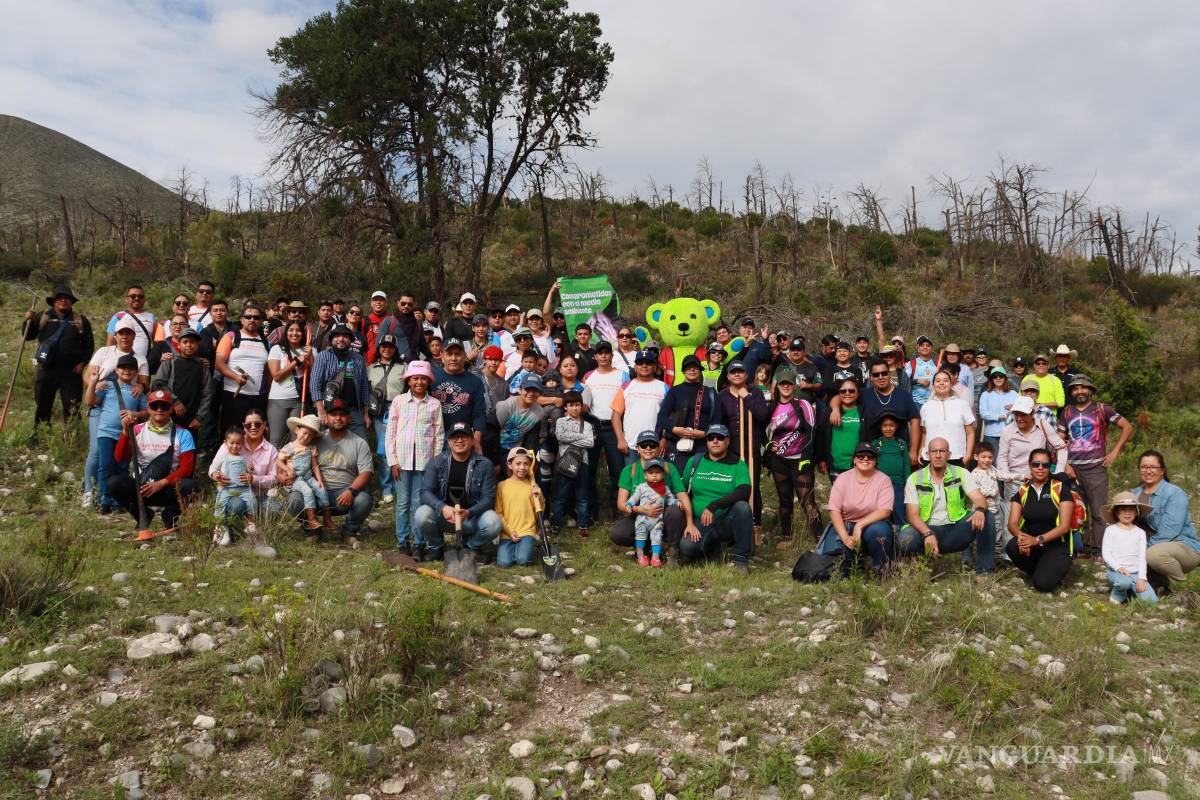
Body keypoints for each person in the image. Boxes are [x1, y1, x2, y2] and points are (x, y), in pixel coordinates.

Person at [895, 437, 995, 575]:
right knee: (905, 539)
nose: (937, 455)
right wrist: (927, 533)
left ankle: (984, 572)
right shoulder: (915, 478)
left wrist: (979, 510)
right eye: (934, 451)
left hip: (955, 528)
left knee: (987, 516)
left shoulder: (961, 472)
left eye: (942, 451)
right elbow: (912, 515)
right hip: (927, 529)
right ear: (927, 454)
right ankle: (923, 564)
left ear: (949, 454)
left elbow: (979, 498)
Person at [1060, 374, 1133, 557]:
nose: (1080, 391)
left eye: (1083, 387)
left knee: (1099, 512)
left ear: (1090, 390)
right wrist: (1064, 463)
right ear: (1072, 392)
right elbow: (1060, 440)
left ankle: (1099, 550)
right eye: (1075, 388)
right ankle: (1083, 549)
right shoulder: (1067, 412)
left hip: (1096, 468)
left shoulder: (1102, 409)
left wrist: (1115, 451)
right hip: (1073, 470)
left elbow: (1127, 426)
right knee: (1079, 511)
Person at [284, 399, 374, 545]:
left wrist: (351, 491)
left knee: (364, 499)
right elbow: (289, 458)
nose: (338, 418)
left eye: (342, 414)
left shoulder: (359, 442)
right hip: (315, 494)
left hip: (344, 494)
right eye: (333, 414)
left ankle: (349, 532)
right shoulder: (314, 439)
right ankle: (313, 530)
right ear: (326, 417)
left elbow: (367, 472)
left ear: (349, 418)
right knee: (293, 500)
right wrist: (284, 474)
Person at [108, 389, 198, 529]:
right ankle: (142, 515)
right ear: (148, 409)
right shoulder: (136, 429)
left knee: (190, 486)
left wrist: (161, 484)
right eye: (155, 406)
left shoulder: (184, 434)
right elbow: (120, 458)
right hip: (141, 487)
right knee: (114, 483)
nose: (159, 410)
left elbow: (187, 468)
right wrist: (125, 433)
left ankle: (170, 517)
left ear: (171, 410)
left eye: (164, 406)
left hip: (167, 487)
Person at [415, 421, 501, 561]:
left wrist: (469, 512)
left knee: (494, 522)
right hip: (445, 516)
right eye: (455, 437)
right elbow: (425, 492)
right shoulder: (436, 462)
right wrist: (442, 508)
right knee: (421, 514)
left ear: (472, 440)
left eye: (464, 436)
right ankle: (436, 547)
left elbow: (489, 498)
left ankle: (470, 547)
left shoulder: (485, 465)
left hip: (471, 518)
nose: (459, 440)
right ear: (449, 442)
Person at [678, 424, 754, 575]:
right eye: (711, 438)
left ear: (728, 441)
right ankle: (713, 548)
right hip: (700, 521)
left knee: (743, 507)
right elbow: (682, 488)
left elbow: (744, 491)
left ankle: (740, 560)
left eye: (720, 438)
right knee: (687, 547)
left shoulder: (737, 464)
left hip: (726, 520)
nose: (715, 441)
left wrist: (714, 505)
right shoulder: (695, 461)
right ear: (706, 441)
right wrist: (688, 519)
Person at [386, 361, 444, 557]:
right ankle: (403, 541)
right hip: (401, 462)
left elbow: (439, 435)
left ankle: (418, 542)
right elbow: (391, 433)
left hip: (424, 463)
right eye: (415, 378)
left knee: (418, 503)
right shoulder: (399, 402)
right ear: (409, 381)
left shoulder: (434, 404)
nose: (419, 382)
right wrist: (393, 460)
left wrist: (435, 464)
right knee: (402, 503)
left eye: (423, 378)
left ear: (428, 381)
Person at [83, 353, 147, 514]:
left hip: (126, 435)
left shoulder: (137, 391)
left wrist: (135, 414)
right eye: (123, 368)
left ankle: (119, 499)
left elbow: (147, 412)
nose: (127, 371)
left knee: (122, 467)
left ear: (136, 373)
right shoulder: (107, 386)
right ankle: (105, 498)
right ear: (116, 370)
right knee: (105, 466)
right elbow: (89, 401)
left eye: (131, 369)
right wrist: (92, 383)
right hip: (106, 432)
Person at [818, 443, 895, 574]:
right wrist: (844, 536)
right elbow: (834, 510)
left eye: (870, 456)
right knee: (834, 562)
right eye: (861, 456)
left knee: (880, 531)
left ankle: (880, 568)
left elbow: (885, 510)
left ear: (875, 461)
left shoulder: (884, 480)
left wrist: (859, 525)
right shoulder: (842, 478)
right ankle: (856, 566)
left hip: (872, 525)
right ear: (854, 459)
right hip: (845, 524)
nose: (865, 459)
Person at [1005, 448, 1075, 592]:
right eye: (1036, 464)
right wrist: (1022, 538)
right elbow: (1012, 523)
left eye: (1045, 465)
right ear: (1030, 465)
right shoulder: (1023, 490)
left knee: (1042, 585)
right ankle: (1038, 570)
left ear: (1050, 467)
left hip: (1056, 546)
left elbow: (1064, 527)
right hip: (1032, 544)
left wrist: (1036, 540)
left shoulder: (1061, 488)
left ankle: (1050, 571)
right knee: (1012, 546)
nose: (1040, 468)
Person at [24, 283, 94, 426]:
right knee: (42, 403)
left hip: (71, 371)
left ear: (71, 301)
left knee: (72, 406)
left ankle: (72, 436)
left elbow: (89, 345)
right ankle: (41, 433)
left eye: (67, 298)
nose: (63, 300)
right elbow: (28, 336)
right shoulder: (42, 317)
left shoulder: (80, 320)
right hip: (46, 369)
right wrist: (27, 321)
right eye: (59, 298)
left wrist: (82, 363)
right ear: (53, 301)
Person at [1131, 449, 1200, 594]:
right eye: (1144, 467)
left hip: (1181, 546)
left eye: (1153, 467)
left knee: (1153, 555)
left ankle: (1182, 586)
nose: (1148, 471)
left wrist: (1140, 550)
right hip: (1151, 545)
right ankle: (1157, 586)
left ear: (1162, 470)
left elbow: (1170, 531)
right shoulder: (1134, 494)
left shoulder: (1174, 493)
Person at [766, 367, 819, 542]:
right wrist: (767, 445)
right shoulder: (771, 406)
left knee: (807, 501)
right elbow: (762, 431)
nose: (786, 386)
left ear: (794, 385)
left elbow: (812, 432)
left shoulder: (803, 404)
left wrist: (806, 458)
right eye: (783, 383)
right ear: (778, 386)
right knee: (784, 501)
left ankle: (819, 537)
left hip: (800, 460)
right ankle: (787, 536)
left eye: (789, 383)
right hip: (779, 461)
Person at [715, 360, 768, 525]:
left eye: (740, 371)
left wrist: (748, 398)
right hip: (730, 450)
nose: (737, 374)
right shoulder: (722, 395)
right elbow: (719, 422)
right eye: (733, 372)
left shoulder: (756, 392)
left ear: (746, 374)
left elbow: (763, 416)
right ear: (728, 376)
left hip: (751, 449)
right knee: (732, 488)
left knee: (752, 487)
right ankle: (732, 524)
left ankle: (755, 524)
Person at [584, 340, 629, 519]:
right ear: (594, 356)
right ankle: (591, 510)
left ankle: (616, 510)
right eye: (600, 353)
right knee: (589, 471)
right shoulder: (588, 376)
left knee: (617, 471)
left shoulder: (623, 375)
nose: (603, 356)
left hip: (614, 428)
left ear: (611, 355)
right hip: (593, 427)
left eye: (606, 353)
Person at [209, 409, 281, 519]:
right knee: (237, 506)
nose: (253, 427)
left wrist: (254, 479)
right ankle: (232, 528)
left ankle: (255, 522)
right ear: (244, 426)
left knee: (274, 510)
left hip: (260, 495)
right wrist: (216, 475)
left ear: (264, 425)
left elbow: (274, 479)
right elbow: (213, 467)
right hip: (233, 492)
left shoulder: (271, 450)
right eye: (248, 425)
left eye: (257, 424)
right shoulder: (231, 443)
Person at [657, 355, 721, 473]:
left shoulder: (710, 393)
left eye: (695, 367)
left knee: (700, 482)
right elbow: (661, 417)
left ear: (700, 370)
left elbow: (718, 420)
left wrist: (705, 433)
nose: (692, 370)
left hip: (703, 445)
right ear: (683, 371)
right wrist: (675, 429)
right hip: (677, 445)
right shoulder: (675, 391)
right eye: (688, 367)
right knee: (677, 483)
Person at [214, 305, 270, 437]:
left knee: (254, 433)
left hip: (258, 396)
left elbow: (268, 370)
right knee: (231, 433)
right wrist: (235, 377)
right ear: (241, 319)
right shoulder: (231, 336)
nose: (252, 319)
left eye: (256, 317)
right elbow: (219, 363)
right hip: (233, 394)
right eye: (248, 317)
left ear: (261, 321)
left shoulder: (265, 341)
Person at [310, 325, 371, 440]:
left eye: (345, 336)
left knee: (362, 443)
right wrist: (321, 411)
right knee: (326, 446)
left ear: (351, 341)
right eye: (337, 336)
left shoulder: (358, 358)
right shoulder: (323, 356)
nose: (341, 339)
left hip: (353, 410)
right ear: (332, 340)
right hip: (329, 410)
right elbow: (315, 384)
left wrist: (366, 413)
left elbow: (364, 386)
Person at [367, 333, 408, 500]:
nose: (387, 349)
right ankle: (386, 487)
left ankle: (400, 485)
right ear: (379, 348)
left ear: (395, 349)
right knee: (384, 450)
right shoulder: (370, 368)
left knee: (401, 449)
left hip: (398, 410)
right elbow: (365, 393)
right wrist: (366, 414)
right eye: (384, 346)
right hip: (378, 412)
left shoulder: (403, 367)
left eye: (390, 347)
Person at [612, 349, 670, 463]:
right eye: (640, 363)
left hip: (655, 445)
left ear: (654, 366)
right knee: (633, 478)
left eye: (648, 363)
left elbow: (671, 416)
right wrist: (620, 439)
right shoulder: (625, 387)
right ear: (635, 366)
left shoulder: (664, 387)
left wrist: (665, 439)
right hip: (631, 445)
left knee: (656, 479)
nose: (644, 365)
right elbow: (616, 415)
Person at [152, 327, 213, 434]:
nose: (189, 345)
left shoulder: (202, 365)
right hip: (169, 413)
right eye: (185, 342)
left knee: (188, 447)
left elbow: (207, 393)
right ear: (179, 345)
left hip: (192, 417)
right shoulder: (170, 361)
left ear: (197, 345)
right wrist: (175, 402)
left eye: (192, 342)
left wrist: (200, 417)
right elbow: (158, 384)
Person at [431, 338, 487, 450]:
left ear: (464, 356)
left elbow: (479, 414)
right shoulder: (431, 378)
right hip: (432, 435)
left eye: (457, 354)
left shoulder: (475, 382)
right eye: (449, 354)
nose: (453, 358)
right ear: (442, 356)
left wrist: (476, 441)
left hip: (461, 438)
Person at [551, 390, 594, 537]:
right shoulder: (560, 422)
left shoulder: (587, 424)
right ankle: (557, 523)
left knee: (582, 495)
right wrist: (579, 437)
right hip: (564, 463)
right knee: (560, 495)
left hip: (583, 463)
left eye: (577, 405)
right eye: (571, 405)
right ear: (565, 407)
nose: (575, 408)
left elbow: (590, 442)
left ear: (581, 406)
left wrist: (572, 438)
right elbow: (560, 437)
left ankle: (582, 525)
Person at [1102, 492, 1157, 604]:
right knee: (1124, 582)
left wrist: (1142, 578)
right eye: (1123, 509)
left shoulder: (1140, 532)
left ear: (1136, 512)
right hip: (1117, 571)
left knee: (1151, 601)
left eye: (1131, 509)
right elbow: (1106, 553)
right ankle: (1119, 593)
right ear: (1117, 512)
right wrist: (1118, 567)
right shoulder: (1111, 530)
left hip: (1136, 572)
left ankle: (1132, 589)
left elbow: (1142, 557)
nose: (1127, 513)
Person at [277, 414, 329, 533]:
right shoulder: (289, 447)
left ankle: (327, 518)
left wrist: (320, 480)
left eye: (310, 436)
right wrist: (288, 469)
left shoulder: (311, 448)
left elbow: (314, 466)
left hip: (308, 477)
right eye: (304, 433)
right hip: (296, 479)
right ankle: (311, 519)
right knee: (308, 491)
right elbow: (278, 461)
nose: (306, 437)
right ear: (297, 430)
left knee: (321, 490)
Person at [997, 396, 1067, 482]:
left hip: (1039, 481)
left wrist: (1059, 472)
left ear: (1033, 413)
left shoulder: (1042, 425)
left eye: (1023, 414)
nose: (1019, 418)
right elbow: (1002, 457)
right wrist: (1007, 476)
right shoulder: (1007, 431)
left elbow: (1062, 448)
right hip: (1015, 483)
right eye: (1016, 414)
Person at [493, 447, 542, 567]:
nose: (522, 467)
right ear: (510, 465)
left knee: (523, 560)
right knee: (504, 563)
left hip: (526, 531)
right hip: (508, 532)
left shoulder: (533, 486)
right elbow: (498, 512)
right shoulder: (502, 486)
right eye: (518, 463)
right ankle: (517, 549)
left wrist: (540, 497)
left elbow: (539, 513)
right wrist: (509, 531)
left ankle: (524, 548)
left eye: (526, 464)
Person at [625, 458, 678, 567]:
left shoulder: (665, 489)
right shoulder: (642, 487)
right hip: (642, 519)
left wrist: (677, 502)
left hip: (657, 521)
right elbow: (634, 498)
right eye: (651, 473)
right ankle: (640, 556)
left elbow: (670, 499)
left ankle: (655, 558)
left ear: (663, 475)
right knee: (640, 536)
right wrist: (629, 504)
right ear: (645, 475)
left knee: (657, 538)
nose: (654, 475)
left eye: (658, 472)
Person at [917, 369, 976, 466]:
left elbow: (970, 432)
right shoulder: (926, 407)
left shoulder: (962, 404)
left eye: (945, 380)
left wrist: (968, 455)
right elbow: (924, 433)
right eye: (938, 381)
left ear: (952, 384)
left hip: (957, 457)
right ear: (933, 385)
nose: (942, 383)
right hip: (930, 458)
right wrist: (921, 450)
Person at [266, 320, 311, 446]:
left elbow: (312, 374)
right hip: (278, 399)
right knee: (276, 439)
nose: (294, 333)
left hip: (299, 400)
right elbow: (276, 376)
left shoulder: (307, 351)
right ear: (286, 333)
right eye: (291, 330)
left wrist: (310, 357)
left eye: (298, 330)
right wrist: (296, 361)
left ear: (303, 333)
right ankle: (275, 465)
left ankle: (293, 465)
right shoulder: (277, 349)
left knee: (297, 439)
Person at [211, 426, 258, 543]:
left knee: (252, 500)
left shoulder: (244, 458)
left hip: (243, 488)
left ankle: (251, 524)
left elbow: (249, 469)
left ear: (242, 444)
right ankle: (220, 528)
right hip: (226, 488)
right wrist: (215, 473)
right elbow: (212, 467)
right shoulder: (223, 457)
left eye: (238, 443)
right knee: (220, 505)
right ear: (225, 442)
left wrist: (250, 469)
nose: (235, 446)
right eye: (232, 443)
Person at [820, 375, 870, 481]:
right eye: (843, 391)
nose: (847, 393)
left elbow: (870, 437)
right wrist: (822, 459)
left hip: (858, 465)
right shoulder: (830, 412)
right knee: (839, 496)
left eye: (851, 391)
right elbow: (821, 434)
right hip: (835, 465)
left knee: (857, 496)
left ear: (858, 394)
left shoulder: (865, 413)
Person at [495, 374, 547, 467]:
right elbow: (491, 432)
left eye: (535, 390)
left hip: (516, 451)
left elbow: (531, 438)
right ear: (520, 389)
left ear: (539, 393)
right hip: (495, 446)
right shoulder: (506, 406)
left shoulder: (539, 412)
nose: (531, 393)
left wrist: (529, 458)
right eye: (527, 389)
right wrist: (494, 461)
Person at [869, 410, 910, 527]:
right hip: (881, 484)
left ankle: (902, 533)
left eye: (891, 425)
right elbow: (872, 464)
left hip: (899, 483)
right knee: (883, 508)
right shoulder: (876, 444)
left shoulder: (901, 444)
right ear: (880, 427)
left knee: (899, 507)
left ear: (896, 427)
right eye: (885, 426)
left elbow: (906, 463)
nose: (888, 428)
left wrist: (907, 481)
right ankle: (885, 531)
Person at [970, 440, 1008, 560]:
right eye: (983, 457)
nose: (987, 460)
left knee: (997, 534)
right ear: (976, 457)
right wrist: (992, 493)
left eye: (990, 457)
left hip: (995, 510)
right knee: (981, 534)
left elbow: (1005, 476)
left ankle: (996, 560)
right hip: (980, 511)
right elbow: (975, 492)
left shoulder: (992, 469)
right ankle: (978, 560)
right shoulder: (974, 474)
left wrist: (1022, 477)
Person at [106, 285, 155, 360]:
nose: (136, 298)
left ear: (144, 300)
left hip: (143, 362)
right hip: (121, 363)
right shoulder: (118, 316)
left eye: (140, 296)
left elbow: (156, 342)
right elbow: (110, 344)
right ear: (126, 299)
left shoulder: (151, 317)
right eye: (133, 296)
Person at [978, 367, 1018, 452]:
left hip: (1011, 434)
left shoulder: (1014, 394)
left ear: (1005, 378)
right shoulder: (985, 395)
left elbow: (1019, 412)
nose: (998, 378)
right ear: (991, 379)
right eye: (995, 376)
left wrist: (1014, 408)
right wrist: (1000, 416)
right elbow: (984, 414)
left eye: (1001, 376)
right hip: (991, 435)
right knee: (994, 462)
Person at [905, 336, 937, 407]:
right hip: (916, 402)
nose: (925, 347)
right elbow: (904, 382)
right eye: (922, 345)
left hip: (934, 402)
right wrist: (917, 381)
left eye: (928, 345)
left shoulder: (938, 364)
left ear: (931, 348)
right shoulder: (911, 364)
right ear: (918, 348)